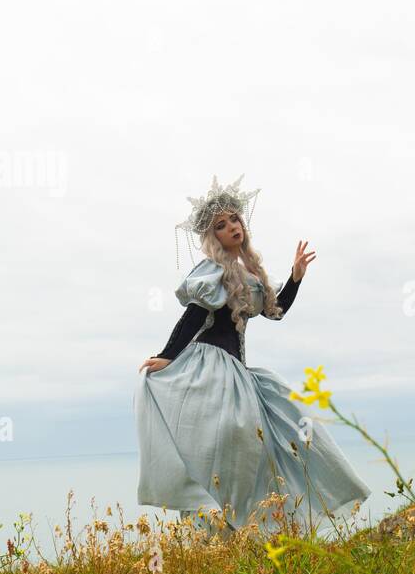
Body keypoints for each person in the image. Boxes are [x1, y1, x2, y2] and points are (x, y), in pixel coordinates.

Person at [134, 176, 371, 539]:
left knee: (279, 428)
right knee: (232, 433)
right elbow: (194, 317)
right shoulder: (213, 271)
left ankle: (258, 522)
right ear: (213, 236)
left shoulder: (251, 276)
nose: (232, 227)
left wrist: (295, 277)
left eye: (234, 220)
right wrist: (168, 356)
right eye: (221, 225)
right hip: (209, 365)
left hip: (239, 372)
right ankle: (216, 520)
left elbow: (276, 311)